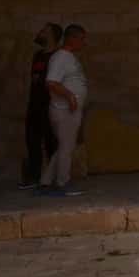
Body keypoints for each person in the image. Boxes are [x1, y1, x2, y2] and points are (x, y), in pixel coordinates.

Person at [40, 24, 89, 196]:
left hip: (70, 109)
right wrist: (70, 96)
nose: (84, 42)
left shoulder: (68, 57)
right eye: (81, 38)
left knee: (64, 146)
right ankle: (62, 183)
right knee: (67, 147)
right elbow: (51, 82)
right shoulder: (61, 57)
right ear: (71, 38)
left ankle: (46, 182)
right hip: (64, 109)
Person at [20, 23, 62, 188]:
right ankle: (34, 177)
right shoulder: (37, 55)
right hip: (34, 106)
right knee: (32, 142)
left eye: (44, 31)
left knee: (52, 143)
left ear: (52, 36)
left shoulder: (59, 56)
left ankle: (55, 179)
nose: (39, 32)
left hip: (51, 106)